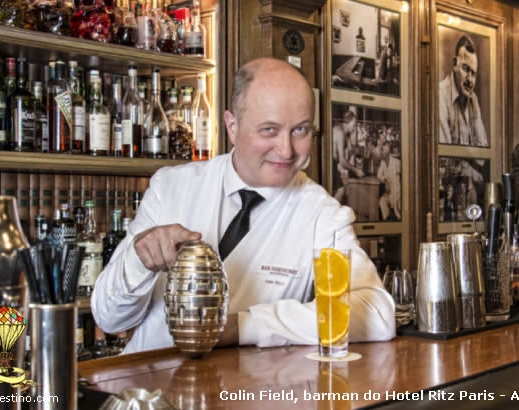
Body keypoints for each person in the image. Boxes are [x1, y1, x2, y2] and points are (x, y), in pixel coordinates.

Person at [91, 58, 396, 354]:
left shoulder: (322, 214)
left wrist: (243, 327)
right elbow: (109, 318)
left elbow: (377, 313)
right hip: (147, 391)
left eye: (300, 130)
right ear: (232, 126)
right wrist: (138, 261)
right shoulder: (171, 187)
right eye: (269, 130)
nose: (286, 150)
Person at [439, 35, 488, 147]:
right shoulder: (440, 94)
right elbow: (444, 155)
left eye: (473, 73)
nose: (469, 79)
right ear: (455, 64)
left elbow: (482, 148)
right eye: (465, 69)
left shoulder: (473, 99)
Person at [332, 110, 364, 202]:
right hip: (331, 163)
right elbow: (342, 160)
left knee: (342, 189)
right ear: (348, 122)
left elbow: (350, 150)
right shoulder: (340, 132)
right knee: (341, 190)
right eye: (354, 125)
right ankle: (331, 214)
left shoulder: (345, 133)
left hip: (334, 163)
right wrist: (356, 170)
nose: (354, 128)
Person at [376, 141, 401, 220]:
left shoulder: (397, 162)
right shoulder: (383, 163)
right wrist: (385, 180)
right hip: (390, 194)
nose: (381, 152)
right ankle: (387, 221)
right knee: (382, 201)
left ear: (387, 152)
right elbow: (379, 175)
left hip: (399, 194)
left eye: (383, 150)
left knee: (398, 213)